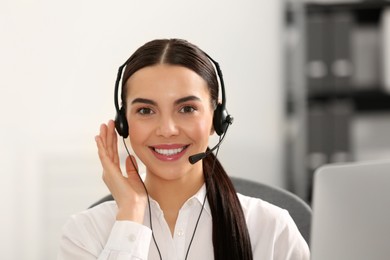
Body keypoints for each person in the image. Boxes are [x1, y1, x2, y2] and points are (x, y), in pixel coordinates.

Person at [58, 38, 310, 260]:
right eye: (146, 111)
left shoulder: (271, 230)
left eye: (187, 109)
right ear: (123, 123)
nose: (167, 129)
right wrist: (131, 216)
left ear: (216, 119)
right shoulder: (85, 234)